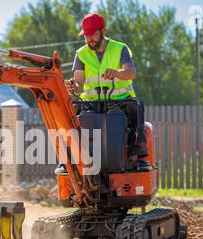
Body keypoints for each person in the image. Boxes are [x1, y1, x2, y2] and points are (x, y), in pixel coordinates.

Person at [55, 12, 151, 176]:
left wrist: (118, 72)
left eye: (93, 34)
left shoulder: (120, 48)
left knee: (137, 107)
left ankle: (138, 158)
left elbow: (131, 72)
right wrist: (73, 87)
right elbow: (79, 83)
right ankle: (67, 161)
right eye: (86, 35)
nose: (89, 38)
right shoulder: (81, 54)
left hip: (120, 101)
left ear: (103, 30)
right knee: (69, 113)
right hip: (91, 102)